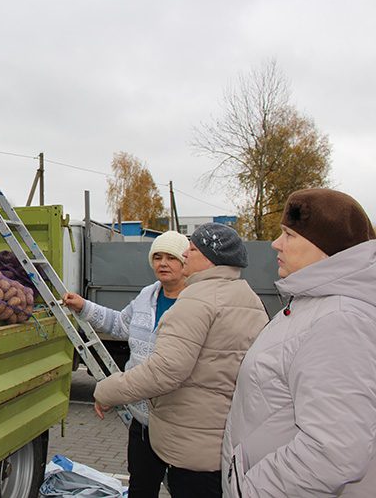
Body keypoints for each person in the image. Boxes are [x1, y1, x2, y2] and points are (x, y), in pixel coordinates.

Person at [92, 223, 268, 498]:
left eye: (192, 250)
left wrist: (106, 391)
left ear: (209, 258)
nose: (185, 255)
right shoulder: (250, 299)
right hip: (221, 437)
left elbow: (165, 371)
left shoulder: (195, 301)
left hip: (189, 439)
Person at [222, 189, 376, 497]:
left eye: (289, 235)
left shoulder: (338, 320)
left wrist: (250, 490)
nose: (276, 243)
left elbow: (334, 452)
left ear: (326, 247)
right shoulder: (312, 305)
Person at [62, 230, 189, 498]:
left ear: (184, 262)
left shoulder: (195, 303)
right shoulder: (147, 296)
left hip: (181, 423)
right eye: (157, 257)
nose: (163, 263)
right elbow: (120, 324)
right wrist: (84, 307)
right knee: (141, 488)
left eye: (171, 258)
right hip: (143, 422)